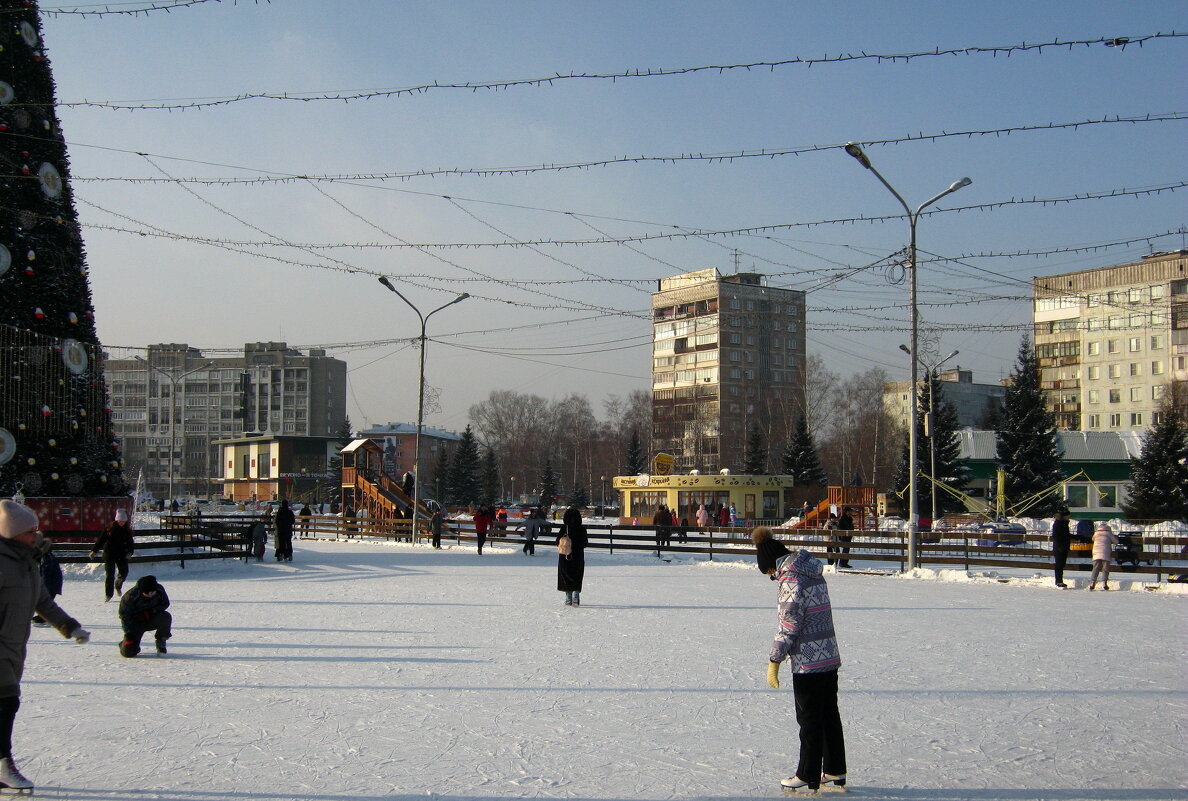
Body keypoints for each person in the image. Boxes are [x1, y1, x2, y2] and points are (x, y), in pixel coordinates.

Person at [0, 500, 91, 794]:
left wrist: (69, 626)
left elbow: (43, 602)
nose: (35, 535)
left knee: (6, 704)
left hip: (14, 648)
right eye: (30, 531)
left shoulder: (27, 563)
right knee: (5, 703)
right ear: (10, 533)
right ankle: (3, 765)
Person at [751, 526, 846, 794]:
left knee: (809, 719)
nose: (772, 578)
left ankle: (808, 774)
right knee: (829, 714)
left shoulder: (790, 580)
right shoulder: (811, 572)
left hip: (808, 659)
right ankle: (835, 769)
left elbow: (789, 624)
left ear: (772, 565)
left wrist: (775, 659)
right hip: (828, 653)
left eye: (770, 574)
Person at [118, 575, 171, 658]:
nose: (151, 595)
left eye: (153, 592)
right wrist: (128, 632)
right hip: (135, 624)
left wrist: (152, 611)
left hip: (151, 619)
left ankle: (161, 641)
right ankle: (126, 644)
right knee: (128, 653)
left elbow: (165, 604)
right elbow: (124, 616)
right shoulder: (130, 596)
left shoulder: (159, 589)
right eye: (148, 593)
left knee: (165, 616)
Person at [90, 508, 135, 601]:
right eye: (120, 521)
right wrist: (94, 551)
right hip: (109, 554)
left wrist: (130, 552)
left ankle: (118, 585)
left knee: (124, 572)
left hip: (122, 555)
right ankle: (108, 594)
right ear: (117, 520)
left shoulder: (127, 531)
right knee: (110, 575)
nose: (122, 522)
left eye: (124, 521)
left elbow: (130, 543)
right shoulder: (109, 529)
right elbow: (101, 540)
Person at [557, 506, 588, 606]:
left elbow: (557, 541)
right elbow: (585, 543)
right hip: (578, 556)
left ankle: (568, 598)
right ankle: (575, 596)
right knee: (577, 576)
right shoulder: (582, 529)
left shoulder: (564, 528)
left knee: (565, 576)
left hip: (565, 556)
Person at [31, 541, 63, 628]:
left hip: (51, 585)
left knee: (45, 602)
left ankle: (45, 618)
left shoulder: (46, 558)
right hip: (53, 584)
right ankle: (42, 617)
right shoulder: (46, 556)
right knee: (44, 602)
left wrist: (44, 588)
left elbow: (46, 574)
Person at [1089, 522, 1118, 591]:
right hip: (1105, 552)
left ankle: (1092, 582)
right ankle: (1104, 583)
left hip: (1096, 553)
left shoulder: (1096, 533)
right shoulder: (1108, 533)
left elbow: (1092, 539)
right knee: (1105, 569)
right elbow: (1116, 541)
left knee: (1095, 568)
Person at [1050, 509, 1072, 588]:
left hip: (1064, 547)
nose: (1069, 517)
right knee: (1059, 565)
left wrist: (1079, 537)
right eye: (1067, 515)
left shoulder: (1064, 524)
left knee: (1062, 565)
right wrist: (1059, 546)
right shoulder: (1058, 524)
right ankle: (1059, 581)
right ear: (1064, 516)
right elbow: (1055, 536)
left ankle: (1059, 580)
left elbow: (1067, 535)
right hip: (1060, 548)